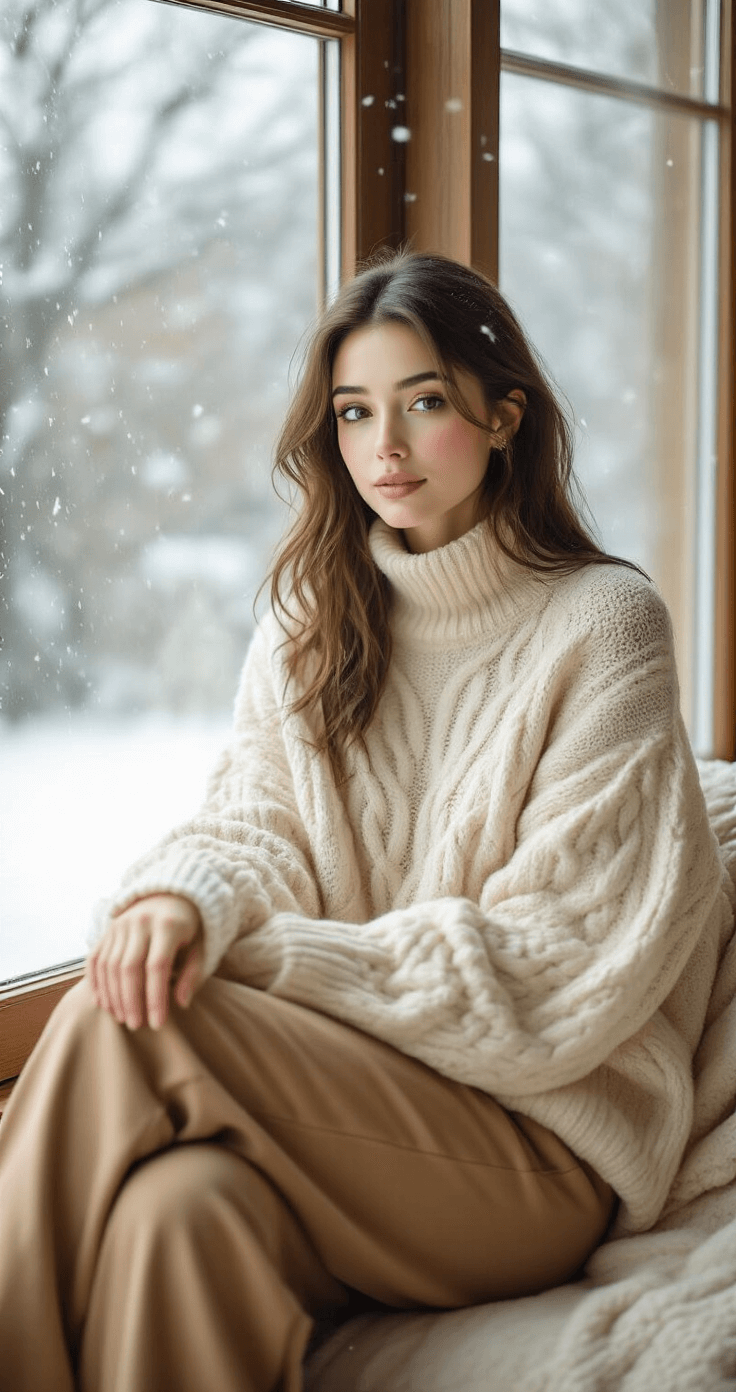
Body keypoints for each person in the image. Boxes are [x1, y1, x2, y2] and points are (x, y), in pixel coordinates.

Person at [0, 250, 731, 1392]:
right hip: (352, 1117)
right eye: (353, 413)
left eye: (423, 403)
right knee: (175, 1213)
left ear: (502, 415)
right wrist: (180, 896)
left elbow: (557, 969)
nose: (381, 446)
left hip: (537, 1150)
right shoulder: (313, 613)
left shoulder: (603, 625)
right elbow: (253, 824)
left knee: (130, 1017)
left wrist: (270, 954)